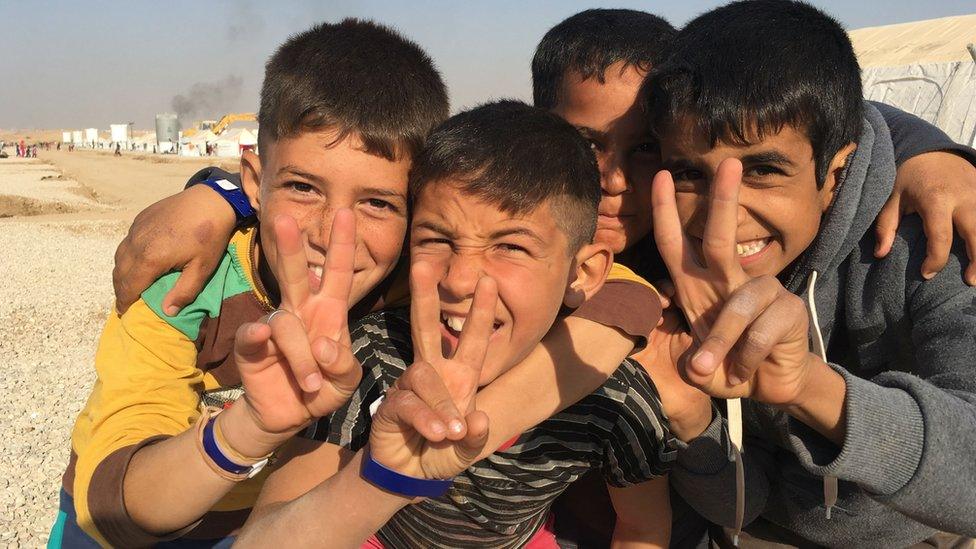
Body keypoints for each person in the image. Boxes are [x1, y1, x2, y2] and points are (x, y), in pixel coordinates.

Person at [52, 19, 449, 547]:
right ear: (256, 184)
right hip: (147, 501)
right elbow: (114, 510)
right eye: (304, 188)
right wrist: (246, 431)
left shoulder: (410, 286)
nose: (335, 237)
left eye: (377, 203)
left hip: (277, 519)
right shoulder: (180, 287)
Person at [240, 100, 676, 548]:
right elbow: (264, 534)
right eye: (437, 240)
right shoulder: (365, 357)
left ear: (581, 274)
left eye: (510, 247)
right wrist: (386, 476)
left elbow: (643, 528)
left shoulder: (615, 397)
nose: (460, 280)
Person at [647, 1, 976, 545]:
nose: (721, 218)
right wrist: (692, 428)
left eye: (764, 170)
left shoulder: (932, 241)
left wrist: (809, 388)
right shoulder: (671, 263)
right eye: (688, 173)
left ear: (835, 174)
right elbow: (738, 505)